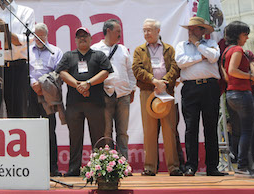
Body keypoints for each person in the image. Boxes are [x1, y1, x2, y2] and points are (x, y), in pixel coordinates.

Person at [56, 27, 112, 177]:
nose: (82, 38)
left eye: (85, 36)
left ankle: (100, 168)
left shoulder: (98, 55)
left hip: (96, 104)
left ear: (90, 38)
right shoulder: (68, 55)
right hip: (74, 105)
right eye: (79, 36)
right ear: (75, 40)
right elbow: (61, 72)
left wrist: (88, 83)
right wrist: (77, 85)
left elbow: (106, 71)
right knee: (75, 138)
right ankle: (74, 169)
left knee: (98, 138)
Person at [175, 16, 226, 177]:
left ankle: (212, 166)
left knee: (211, 127)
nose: (190, 31)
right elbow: (181, 62)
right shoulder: (181, 45)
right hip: (190, 88)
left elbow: (214, 57)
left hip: (210, 87)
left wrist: (198, 45)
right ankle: (191, 166)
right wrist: (200, 57)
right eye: (189, 28)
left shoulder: (211, 43)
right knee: (191, 128)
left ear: (202, 31)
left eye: (194, 28)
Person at [132, 18, 182, 176]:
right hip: (148, 92)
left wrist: (164, 82)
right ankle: (149, 167)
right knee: (149, 130)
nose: (146, 33)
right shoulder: (139, 50)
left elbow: (175, 67)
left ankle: (174, 167)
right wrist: (153, 80)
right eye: (144, 30)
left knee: (169, 129)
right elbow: (137, 69)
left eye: (149, 30)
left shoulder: (169, 49)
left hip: (166, 92)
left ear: (158, 31)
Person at [222, 21, 254, 176]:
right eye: (245, 34)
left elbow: (226, 74)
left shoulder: (226, 51)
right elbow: (232, 71)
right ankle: (243, 165)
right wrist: (252, 76)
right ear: (238, 35)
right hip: (242, 93)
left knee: (252, 128)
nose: (247, 37)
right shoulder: (237, 50)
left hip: (232, 93)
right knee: (248, 130)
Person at [91, 19, 135, 161]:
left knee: (123, 132)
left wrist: (131, 89)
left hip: (123, 95)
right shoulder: (95, 49)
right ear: (108, 31)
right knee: (106, 132)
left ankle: (123, 163)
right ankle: (108, 164)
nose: (120, 35)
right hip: (104, 95)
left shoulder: (123, 49)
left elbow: (130, 71)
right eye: (118, 32)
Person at [28, 23, 63, 176]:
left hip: (48, 94)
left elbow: (59, 73)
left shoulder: (55, 51)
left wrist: (42, 84)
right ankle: (34, 167)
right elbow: (24, 70)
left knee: (50, 131)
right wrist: (33, 83)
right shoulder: (27, 51)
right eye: (36, 35)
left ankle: (52, 168)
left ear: (47, 35)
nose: (39, 38)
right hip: (30, 93)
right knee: (32, 131)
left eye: (41, 35)